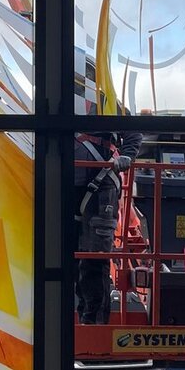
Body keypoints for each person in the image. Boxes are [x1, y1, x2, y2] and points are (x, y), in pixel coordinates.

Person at [73, 131, 142, 325]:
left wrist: (128, 154)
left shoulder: (104, 104)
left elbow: (133, 131)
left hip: (102, 186)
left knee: (94, 258)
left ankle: (94, 323)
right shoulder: (67, 105)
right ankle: (84, 319)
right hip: (72, 187)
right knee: (73, 260)